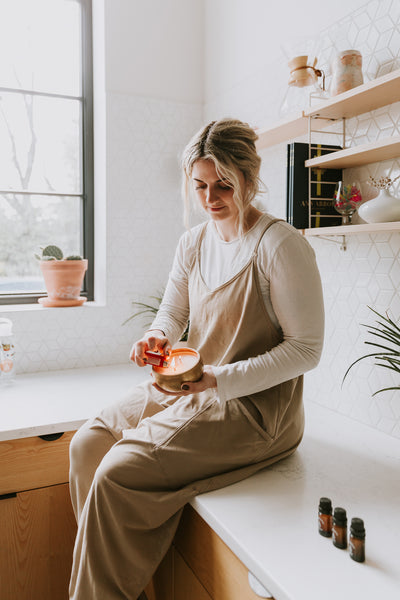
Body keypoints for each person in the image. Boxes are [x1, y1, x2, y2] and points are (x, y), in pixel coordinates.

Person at [69, 118, 324, 600]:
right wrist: (156, 336)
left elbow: (306, 350)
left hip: (254, 411)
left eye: (224, 185)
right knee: (86, 446)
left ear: (250, 176)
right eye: (200, 185)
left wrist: (217, 381)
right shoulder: (194, 242)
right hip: (194, 389)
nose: (210, 199)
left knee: (116, 472)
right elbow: (172, 310)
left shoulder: (281, 245)